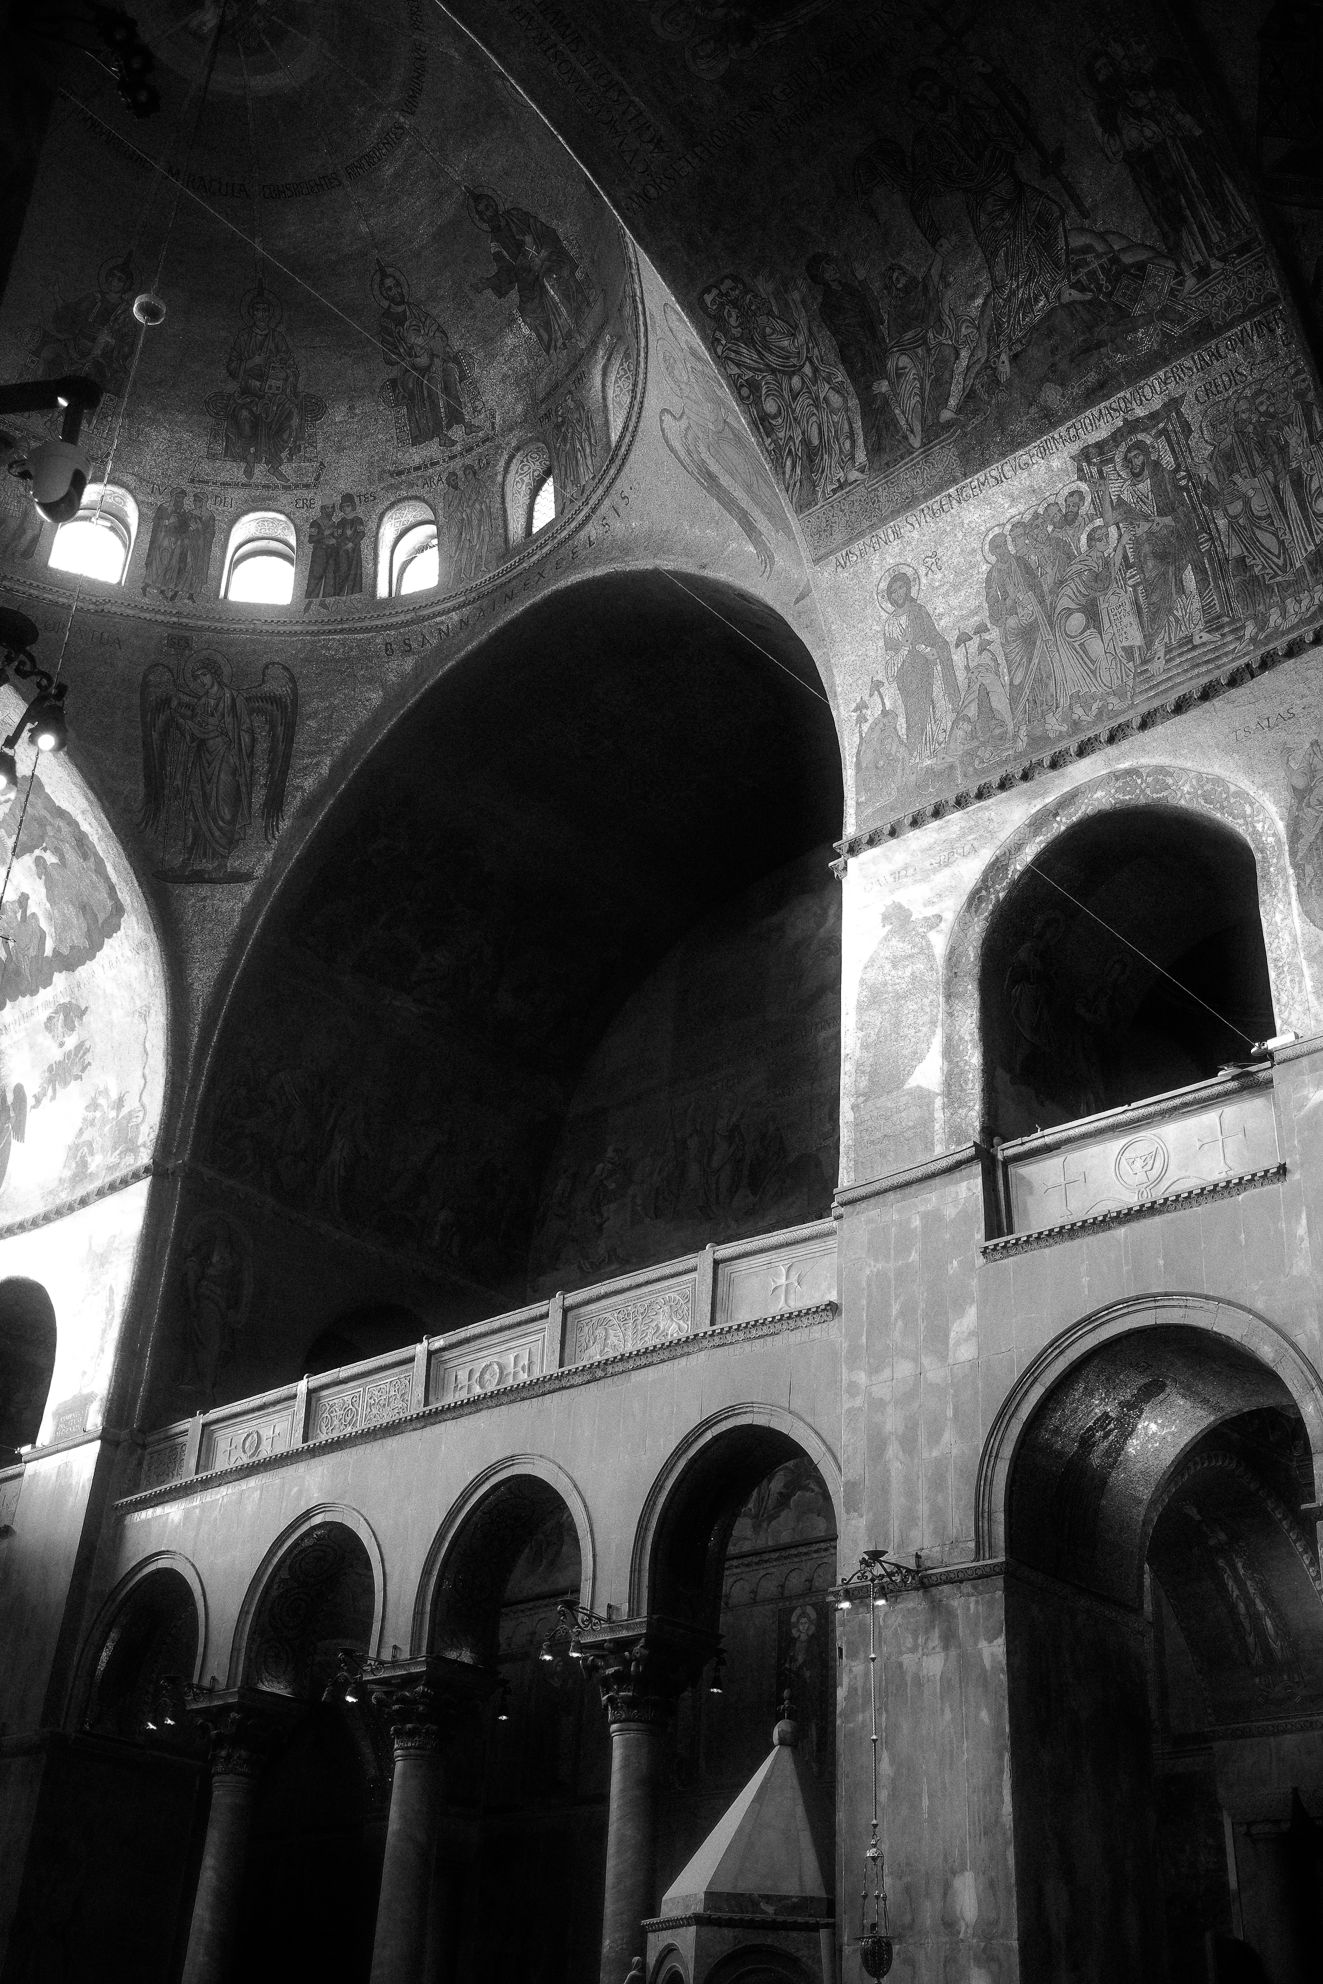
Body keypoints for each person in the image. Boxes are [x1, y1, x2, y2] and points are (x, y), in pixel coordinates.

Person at [467, 188, 590, 355]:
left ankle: (576, 328)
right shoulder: (495, 243)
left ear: (495, 204)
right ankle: (560, 345)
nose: (488, 213)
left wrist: (541, 255)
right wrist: (488, 282)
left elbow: (545, 232)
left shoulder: (516, 216)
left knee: (548, 282)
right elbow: (507, 271)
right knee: (528, 311)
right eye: (482, 213)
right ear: (481, 219)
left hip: (548, 258)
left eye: (488, 206)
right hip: (529, 276)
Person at [373, 260, 471, 445]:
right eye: (389, 290)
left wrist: (431, 342)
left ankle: (464, 422)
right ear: (384, 295)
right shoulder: (387, 321)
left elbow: (437, 331)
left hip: (433, 359)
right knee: (431, 381)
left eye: (396, 286)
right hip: (410, 370)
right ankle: (441, 435)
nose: (395, 292)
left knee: (450, 370)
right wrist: (410, 356)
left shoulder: (414, 310)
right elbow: (388, 355)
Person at [222, 285, 301, 482]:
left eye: (265, 310)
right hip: (249, 392)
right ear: (251, 312)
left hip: (275, 395)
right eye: (257, 309)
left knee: (291, 413)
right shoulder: (244, 337)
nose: (261, 314)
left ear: (271, 313)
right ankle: (249, 458)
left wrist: (283, 375)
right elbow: (232, 366)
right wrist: (252, 362)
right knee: (244, 415)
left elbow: (291, 365)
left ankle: (275, 463)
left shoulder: (278, 338)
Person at [879, 568, 959, 761]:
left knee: (936, 709)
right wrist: (906, 648)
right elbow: (892, 657)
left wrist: (935, 651)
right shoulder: (889, 625)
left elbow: (935, 637)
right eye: (894, 591)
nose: (899, 593)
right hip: (907, 680)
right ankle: (921, 757)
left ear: (908, 588)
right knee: (915, 716)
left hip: (928, 671)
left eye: (901, 588)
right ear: (889, 596)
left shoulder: (919, 611)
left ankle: (940, 751)